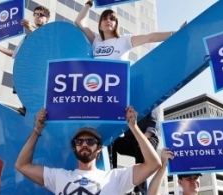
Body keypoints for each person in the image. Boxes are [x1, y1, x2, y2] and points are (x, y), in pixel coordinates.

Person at [75, 2, 185, 193]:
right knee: (107, 141)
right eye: (105, 18)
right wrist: (88, 4)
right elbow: (79, 21)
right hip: (101, 100)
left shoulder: (123, 40)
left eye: (112, 19)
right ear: (100, 24)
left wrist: (175, 34)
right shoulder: (96, 42)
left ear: (116, 24)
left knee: (143, 135)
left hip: (121, 97)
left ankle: (141, 187)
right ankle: (110, 179)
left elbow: (149, 37)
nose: (109, 21)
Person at [15, 106, 161, 194]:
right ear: (74, 147)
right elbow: (22, 165)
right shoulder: (58, 177)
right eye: (79, 141)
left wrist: (134, 127)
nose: (84, 144)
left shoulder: (115, 178)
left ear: (99, 148)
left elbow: (153, 164)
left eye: (90, 141)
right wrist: (37, 130)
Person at [0, 5, 50, 116]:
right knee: (27, 112)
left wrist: (31, 30)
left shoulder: (49, 34)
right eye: (36, 14)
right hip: (26, 79)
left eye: (41, 15)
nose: (38, 17)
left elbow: (46, 49)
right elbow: (15, 54)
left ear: (47, 18)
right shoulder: (27, 37)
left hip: (40, 79)